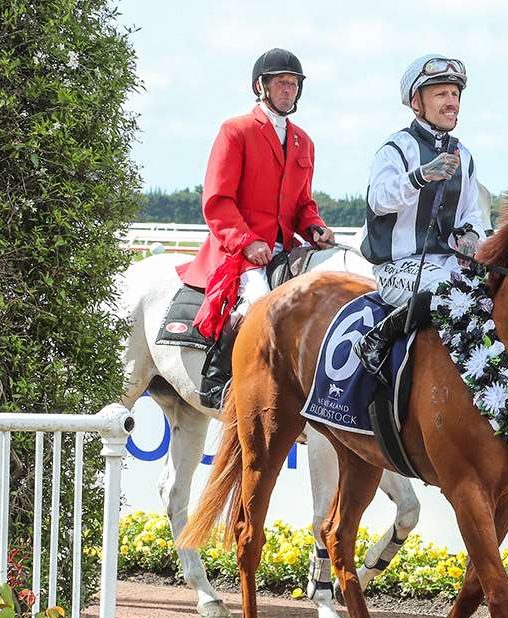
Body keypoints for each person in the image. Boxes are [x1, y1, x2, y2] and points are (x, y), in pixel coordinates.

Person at [178, 47, 335, 408]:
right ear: (260, 86)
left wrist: (314, 229)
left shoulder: (303, 141)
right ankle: (218, 382)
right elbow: (217, 199)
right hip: (239, 249)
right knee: (257, 302)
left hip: (284, 251)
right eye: (281, 83)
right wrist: (246, 241)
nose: (288, 90)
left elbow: (302, 206)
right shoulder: (236, 131)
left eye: (294, 84)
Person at [354, 54, 486, 380]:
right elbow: (379, 200)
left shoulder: (464, 155)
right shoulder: (396, 148)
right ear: (417, 102)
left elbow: (473, 214)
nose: (451, 102)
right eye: (441, 94)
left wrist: (471, 237)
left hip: (447, 262)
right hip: (397, 265)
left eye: (455, 94)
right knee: (451, 294)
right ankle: (378, 337)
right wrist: (421, 176)